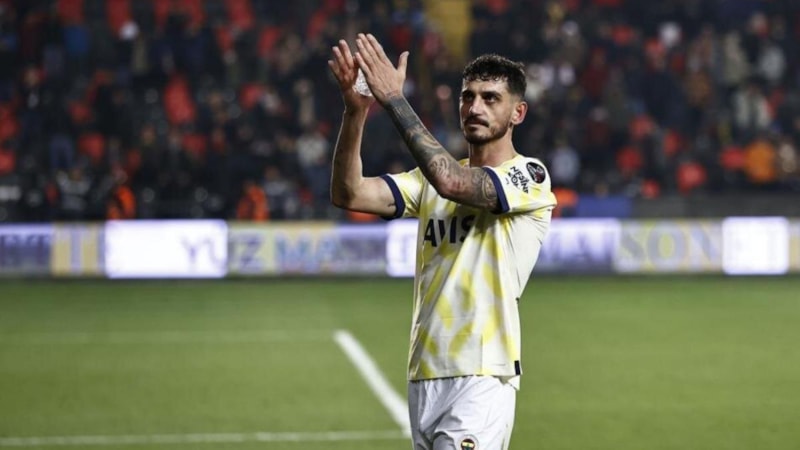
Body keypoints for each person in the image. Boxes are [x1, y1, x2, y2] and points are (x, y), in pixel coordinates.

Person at [328, 33, 557, 450]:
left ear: (518, 112)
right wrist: (355, 113)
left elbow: (453, 182)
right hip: (425, 373)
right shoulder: (428, 181)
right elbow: (349, 193)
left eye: (491, 98)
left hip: (482, 374)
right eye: (468, 97)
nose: (475, 107)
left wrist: (394, 100)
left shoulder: (529, 177)